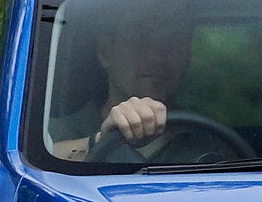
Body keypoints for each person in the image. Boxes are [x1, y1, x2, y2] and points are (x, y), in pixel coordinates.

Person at [50, 18, 192, 162]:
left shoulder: (204, 137)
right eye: (140, 38)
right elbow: (37, 166)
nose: (158, 57)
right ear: (105, 52)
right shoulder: (54, 131)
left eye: (176, 41)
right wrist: (101, 141)